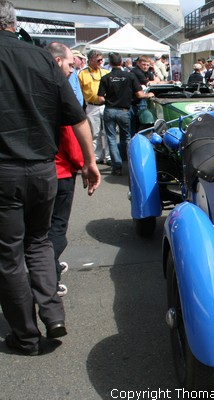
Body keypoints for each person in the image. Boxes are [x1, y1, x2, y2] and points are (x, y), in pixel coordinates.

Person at [0, 0, 100, 356]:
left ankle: (26, 336)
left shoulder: (41, 57)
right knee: (39, 241)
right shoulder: (42, 57)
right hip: (43, 168)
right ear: (14, 22)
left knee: (9, 256)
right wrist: (89, 161)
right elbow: (77, 117)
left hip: (5, 170)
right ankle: (53, 314)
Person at [46, 42, 85, 298]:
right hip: (59, 173)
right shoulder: (57, 92)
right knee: (56, 230)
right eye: (71, 64)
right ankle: (50, 279)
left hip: (33, 170)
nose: (73, 70)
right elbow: (70, 138)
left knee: (38, 231)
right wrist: (85, 165)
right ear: (59, 61)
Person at [97, 52, 155, 176]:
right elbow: (139, 95)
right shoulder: (130, 76)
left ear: (110, 63)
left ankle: (117, 166)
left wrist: (109, 100)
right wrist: (148, 95)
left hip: (109, 110)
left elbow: (100, 99)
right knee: (127, 138)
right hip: (124, 110)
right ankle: (131, 164)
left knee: (111, 139)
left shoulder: (105, 78)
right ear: (121, 62)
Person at [79, 49, 111, 164]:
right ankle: (97, 156)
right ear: (91, 60)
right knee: (95, 133)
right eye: (98, 60)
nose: (101, 62)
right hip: (91, 106)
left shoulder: (105, 72)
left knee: (108, 132)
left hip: (105, 105)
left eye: (102, 59)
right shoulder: (82, 74)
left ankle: (108, 156)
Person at [129, 55, 157, 133]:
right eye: (144, 64)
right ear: (138, 63)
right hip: (134, 102)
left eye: (147, 65)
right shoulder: (136, 71)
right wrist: (155, 81)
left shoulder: (147, 72)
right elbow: (148, 83)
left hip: (141, 100)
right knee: (135, 125)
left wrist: (169, 82)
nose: (146, 67)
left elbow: (156, 80)